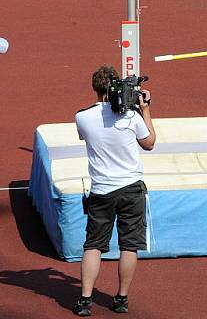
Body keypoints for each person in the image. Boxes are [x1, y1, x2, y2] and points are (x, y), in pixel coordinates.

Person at [72, 65, 155, 316]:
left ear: (95, 89)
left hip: (101, 191)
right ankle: (121, 298)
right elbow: (149, 143)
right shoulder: (131, 118)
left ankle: (85, 300)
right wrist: (145, 109)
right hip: (131, 189)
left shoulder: (82, 118)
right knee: (129, 246)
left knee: (93, 245)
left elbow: (84, 136)